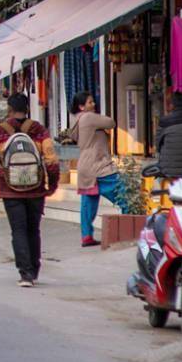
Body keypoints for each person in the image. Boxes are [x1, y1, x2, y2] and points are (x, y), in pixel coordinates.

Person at [0, 92, 60, 288]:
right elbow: (51, 160)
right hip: (36, 189)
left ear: (9, 109)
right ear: (27, 109)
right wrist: (52, 185)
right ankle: (34, 269)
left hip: (10, 189)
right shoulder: (38, 130)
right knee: (34, 230)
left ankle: (25, 275)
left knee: (19, 231)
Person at [62, 94, 120, 249]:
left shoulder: (77, 120)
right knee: (124, 195)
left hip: (85, 167)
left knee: (88, 203)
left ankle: (86, 236)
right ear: (82, 106)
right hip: (99, 166)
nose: (93, 103)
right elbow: (111, 122)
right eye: (89, 101)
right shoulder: (88, 117)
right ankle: (134, 225)